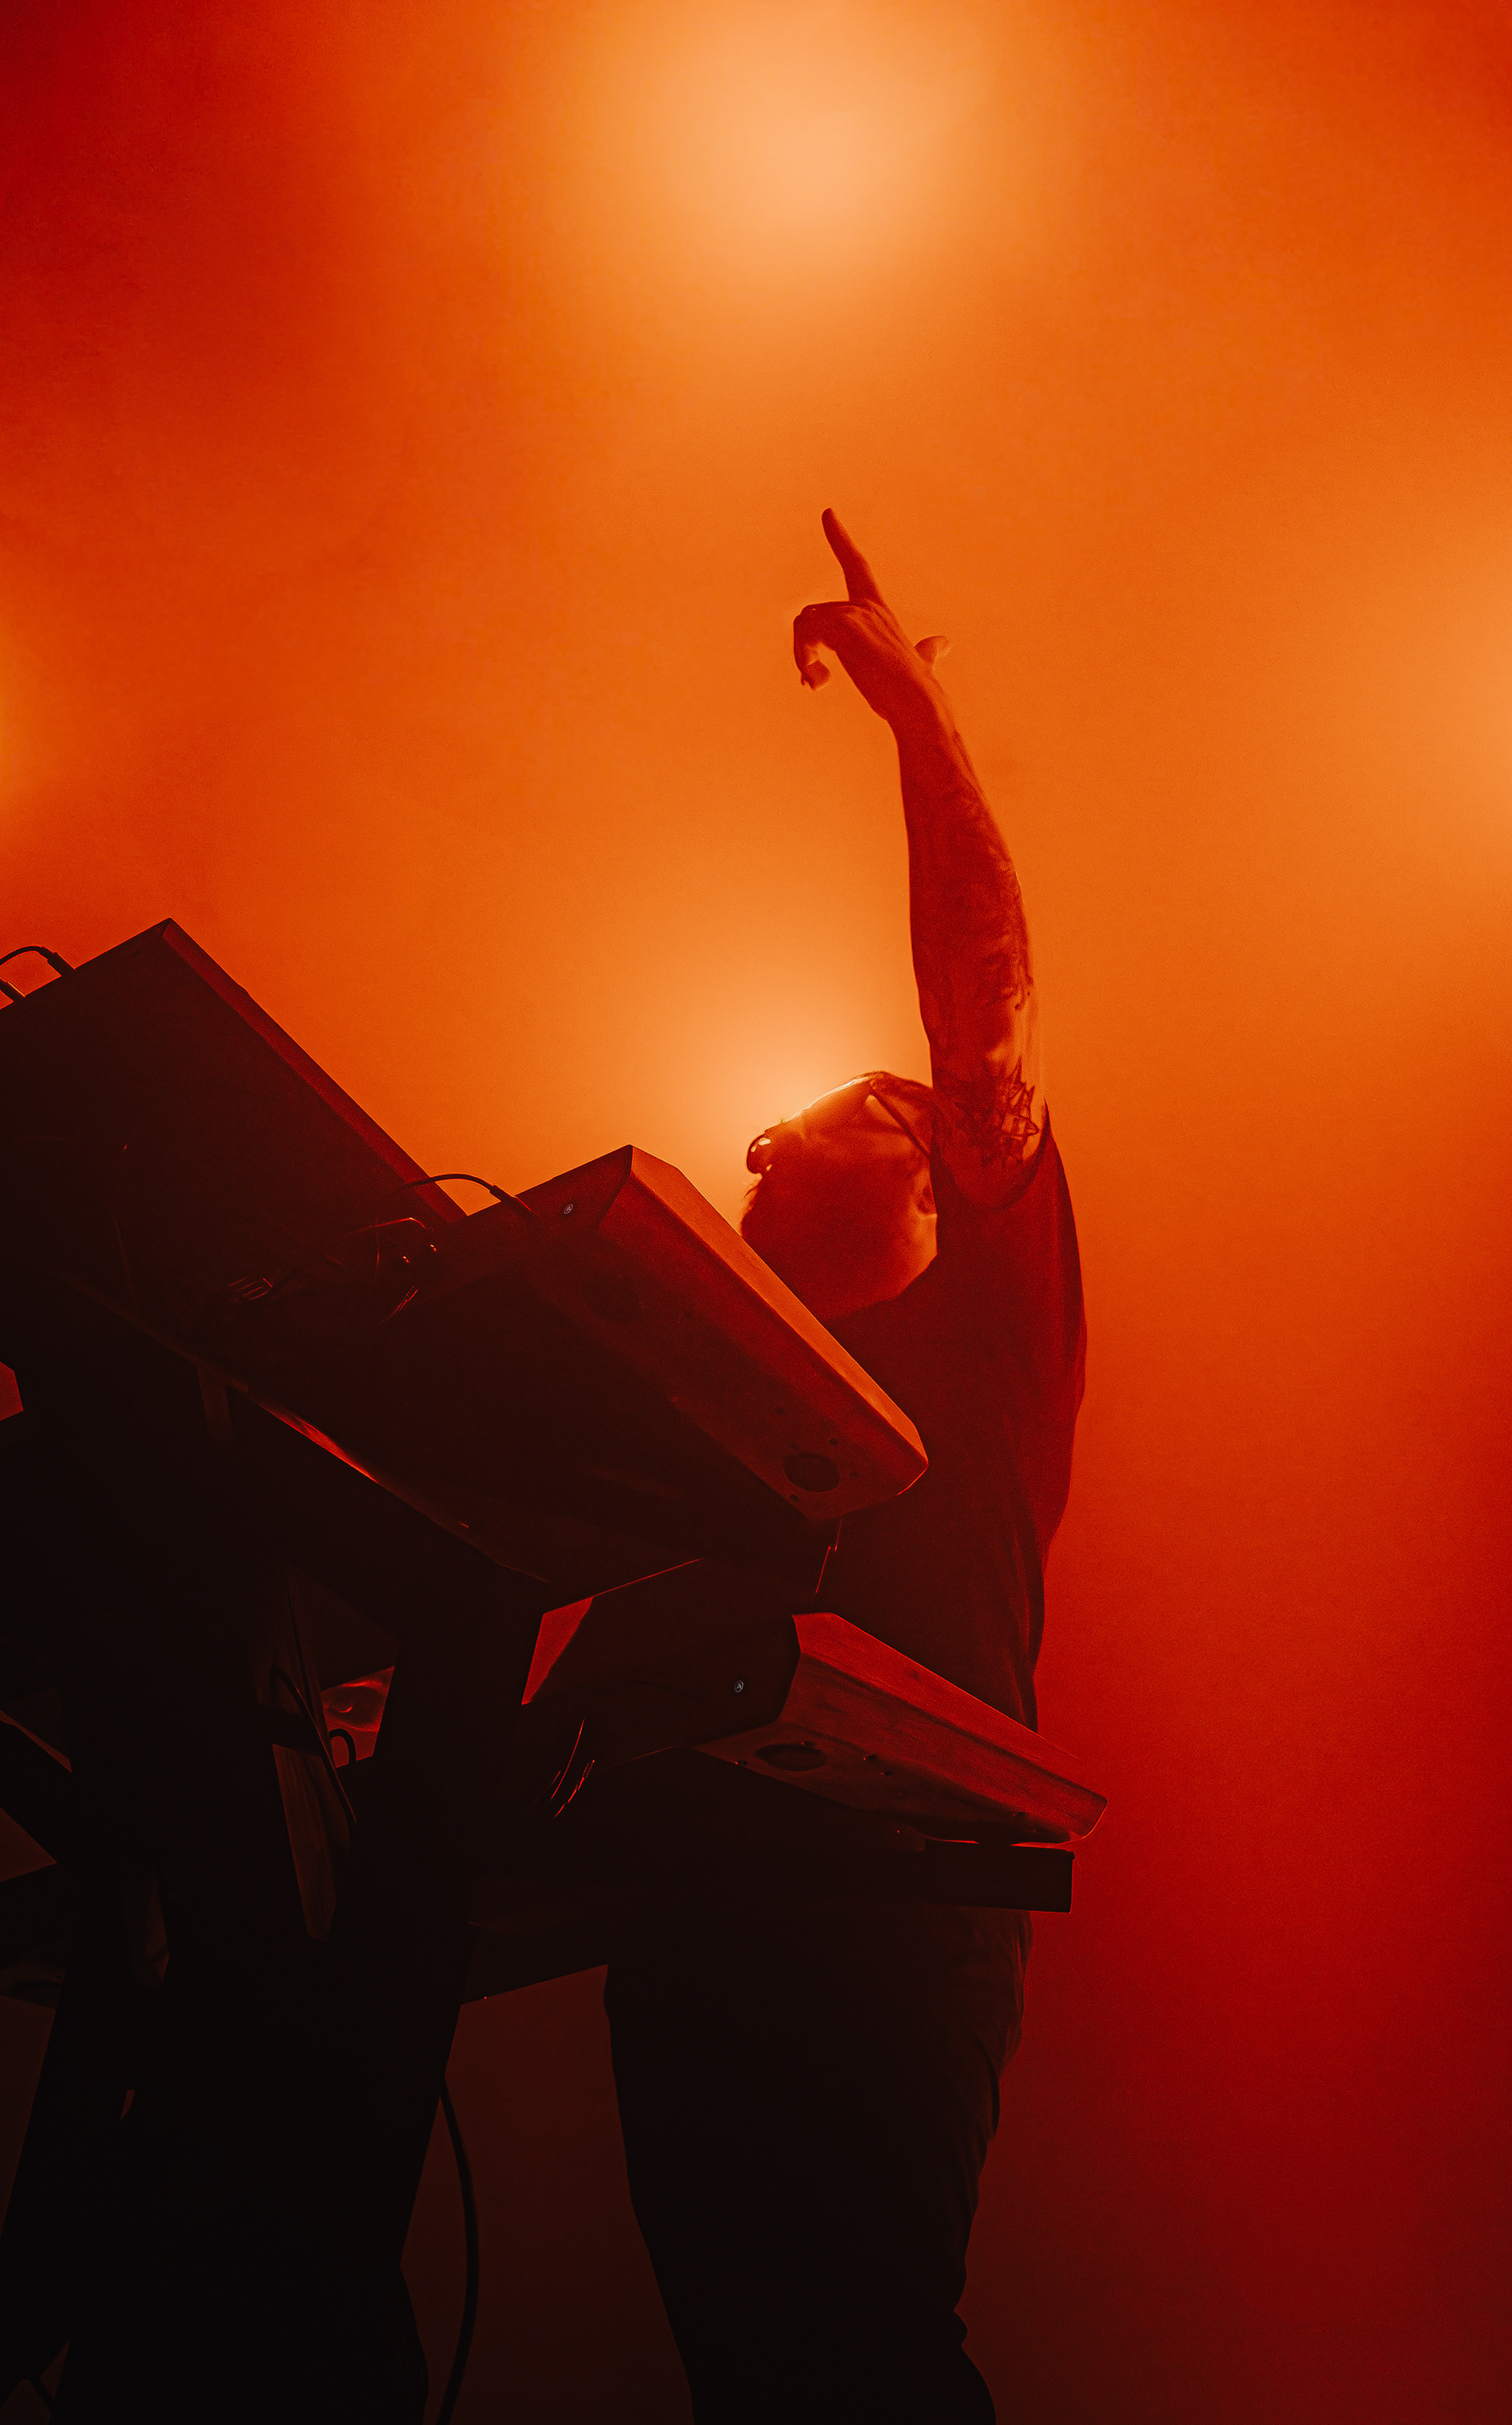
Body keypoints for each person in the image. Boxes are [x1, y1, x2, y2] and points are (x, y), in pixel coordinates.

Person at [604, 510, 1085, 2423]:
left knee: (864, 2359)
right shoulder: (699, 1406)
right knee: (752, 2376)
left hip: (903, 1878)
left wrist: (916, 715)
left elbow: (984, 1010)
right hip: (695, 1908)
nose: (792, 1115)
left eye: (868, 1093)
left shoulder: (984, 1328)